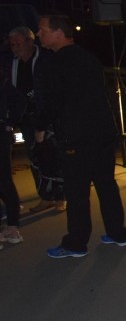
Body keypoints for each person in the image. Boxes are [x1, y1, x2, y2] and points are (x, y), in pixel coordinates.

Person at [34, 13, 126, 259]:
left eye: (42, 29)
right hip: (102, 133)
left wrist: (40, 126)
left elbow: (53, 102)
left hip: (77, 137)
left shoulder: (56, 63)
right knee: (106, 184)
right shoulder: (89, 58)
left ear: (58, 32)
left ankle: (76, 243)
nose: (38, 34)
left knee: (77, 191)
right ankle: (118, 233)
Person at [7, 26, 64, 213]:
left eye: (18, 42)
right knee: (34, 157)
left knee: (54, 156)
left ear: (29, 41)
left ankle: (61, 197)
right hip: (25, 118)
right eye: (12, 43)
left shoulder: (45, 58)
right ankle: (45, 196)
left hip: (46, 116)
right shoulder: (11, 62)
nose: (14, 46)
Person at [0, 71, 25, 248]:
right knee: (5, 181)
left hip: (1, 132)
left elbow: (19, 101)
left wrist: (10, 122)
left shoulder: (4, 83)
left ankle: (12, 226)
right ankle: (11, 227)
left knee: (4, 181)